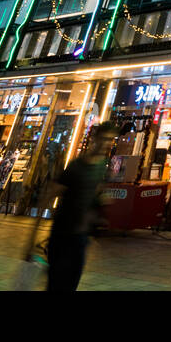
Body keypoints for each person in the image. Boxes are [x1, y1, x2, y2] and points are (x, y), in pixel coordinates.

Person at [45, 123, 118, 291]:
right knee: (55, 283)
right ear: (95, 139)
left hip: (81, 237)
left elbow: (98, 194)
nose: (107, 143)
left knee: (71, 283)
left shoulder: (104, 168)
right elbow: (53, 192)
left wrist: (102, 202)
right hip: (62, 233)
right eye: (104, 138)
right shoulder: (76, 165)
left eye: (111, 140)